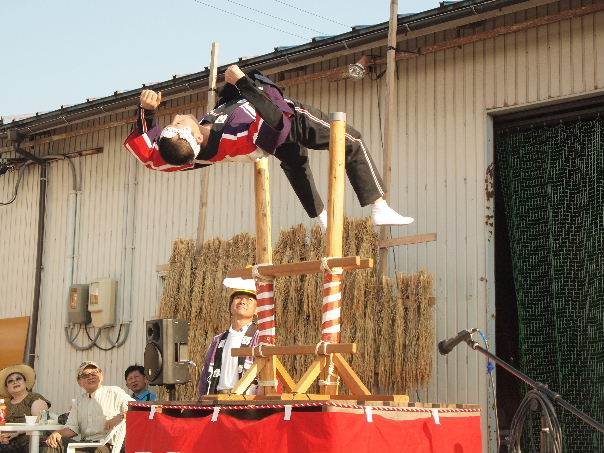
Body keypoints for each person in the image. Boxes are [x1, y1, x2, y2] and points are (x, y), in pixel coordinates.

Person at [123, 65, 414, 230]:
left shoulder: (184, 148)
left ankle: (323, 219)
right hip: (285, 122)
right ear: (197, 138)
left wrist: (145, 111)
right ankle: (379, 206)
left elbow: (151, 156)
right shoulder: (232, 140)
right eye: (180, 123)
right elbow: (275, 119)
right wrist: (244, 83)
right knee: (350, 139)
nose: (177, 116)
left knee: (296, 164)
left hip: (270, 134)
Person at [43, 362, 133, 453]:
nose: (91, 377)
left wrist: (120, 417)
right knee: (49, 444)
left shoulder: (114, 392)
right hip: (84, 444)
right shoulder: (79, 401)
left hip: (105, 445)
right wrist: (57, 433)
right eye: (85, 375)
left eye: (94, 373)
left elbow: (138, 408)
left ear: (101, 376)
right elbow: (72, 429)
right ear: (79, 382)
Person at [198, 278, 260, 396]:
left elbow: (266, 377)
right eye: (238, 298)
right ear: (231, 306)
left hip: (246, 402)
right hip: (218, 399)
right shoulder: (218, 340)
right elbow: (205, 375)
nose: (242, 301)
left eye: (249, 299)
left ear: (257, 310)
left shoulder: (259, 339)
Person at [0, 364, 51, 453]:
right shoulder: (4, 405)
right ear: (7, 388)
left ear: (25, 382)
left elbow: (39, 422)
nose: (15, 382)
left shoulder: (35, 397)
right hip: (9, 443)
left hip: (32, 441)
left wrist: (16, 432)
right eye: (10, 381)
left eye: (18, 379)